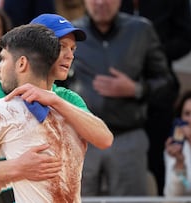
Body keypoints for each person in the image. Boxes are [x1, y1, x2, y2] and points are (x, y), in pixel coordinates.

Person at [0, 14, 113, 203]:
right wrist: (18, 167)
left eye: (72, 49)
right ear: (39, 46)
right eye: (61, 47)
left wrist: (55, 101)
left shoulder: (67, 98)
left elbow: (104, 139)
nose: (70, 55)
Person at [67, 0, 173, 196]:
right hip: (81, 140)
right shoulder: (71, 33)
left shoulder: (141, 30)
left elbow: (167, 83)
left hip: (128, 138)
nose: (100, 2)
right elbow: (54, 83)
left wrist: (136, 89)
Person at [120, 0, 191, 195]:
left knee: (159, 161)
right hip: (117, 96)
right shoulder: (108, 6)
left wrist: (152, 52)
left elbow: (186, 36)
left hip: (159, 91)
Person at [164, 90, 191, 196]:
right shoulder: (176, 148)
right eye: (187, 114)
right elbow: (173, 197)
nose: (190, 120)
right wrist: (180, 164)